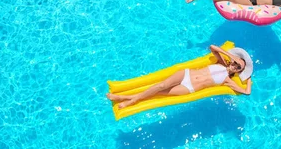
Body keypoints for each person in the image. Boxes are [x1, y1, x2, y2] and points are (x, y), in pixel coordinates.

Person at [106, 46, 252, 109]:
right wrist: (231, 55)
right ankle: (131, 101)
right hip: (186, 74)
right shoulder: (221, 61)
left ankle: (123, 98)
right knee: (160, 86)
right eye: (236, 62)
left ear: (239, 71)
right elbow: (212, 47)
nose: (236, 66)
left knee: (158, 93)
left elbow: (246, 92)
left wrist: (248, 80)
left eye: (239, 67)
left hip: (189, 88)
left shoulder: (228, 80)